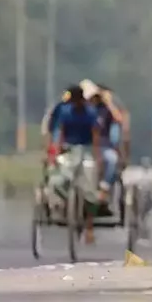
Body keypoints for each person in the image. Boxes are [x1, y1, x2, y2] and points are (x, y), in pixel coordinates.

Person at [45, 84, 105, 242]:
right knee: (57, 180)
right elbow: (61, 133)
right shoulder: (66, 112)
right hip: (69, 150)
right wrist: (56, 151)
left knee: (90, 189)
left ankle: (89, 226)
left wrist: (97, 156)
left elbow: (95, 135)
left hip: (86, 150)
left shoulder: (90, 113)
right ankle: (65, 204)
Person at [85, 80, 128, 190]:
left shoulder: (105, 110)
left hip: (103, 145)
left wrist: (109, 103)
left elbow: (119, 119)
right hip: (85, 146)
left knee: (112, 159)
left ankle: (105, 185)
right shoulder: (84, 110)